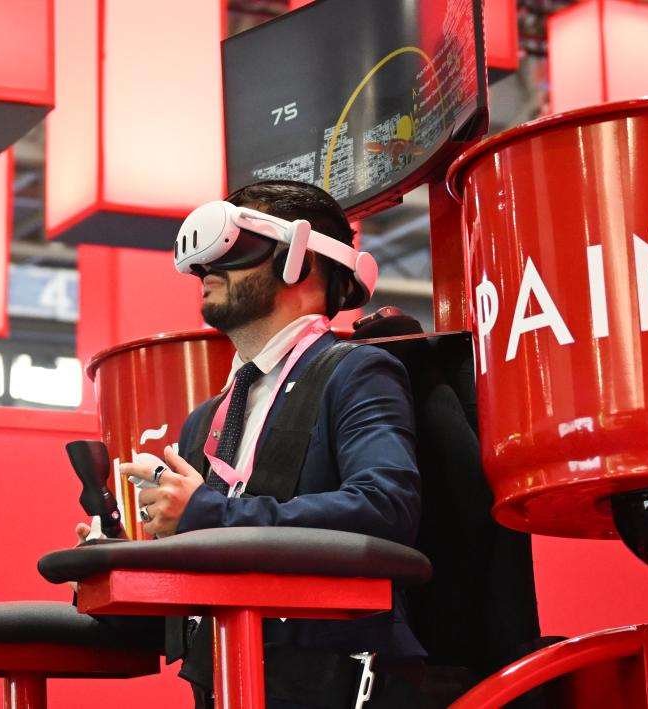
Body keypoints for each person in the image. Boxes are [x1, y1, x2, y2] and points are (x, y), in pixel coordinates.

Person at [77, 180, 424, 709]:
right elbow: (195, 587)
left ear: (301, 260)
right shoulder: (205, 420)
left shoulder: (357, 373)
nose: (204, 268)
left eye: (233, 246)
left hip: (331, 681)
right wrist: (119, 569)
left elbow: (386, 507)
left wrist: (208, 514)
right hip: (225, 683)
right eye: (202, 255)